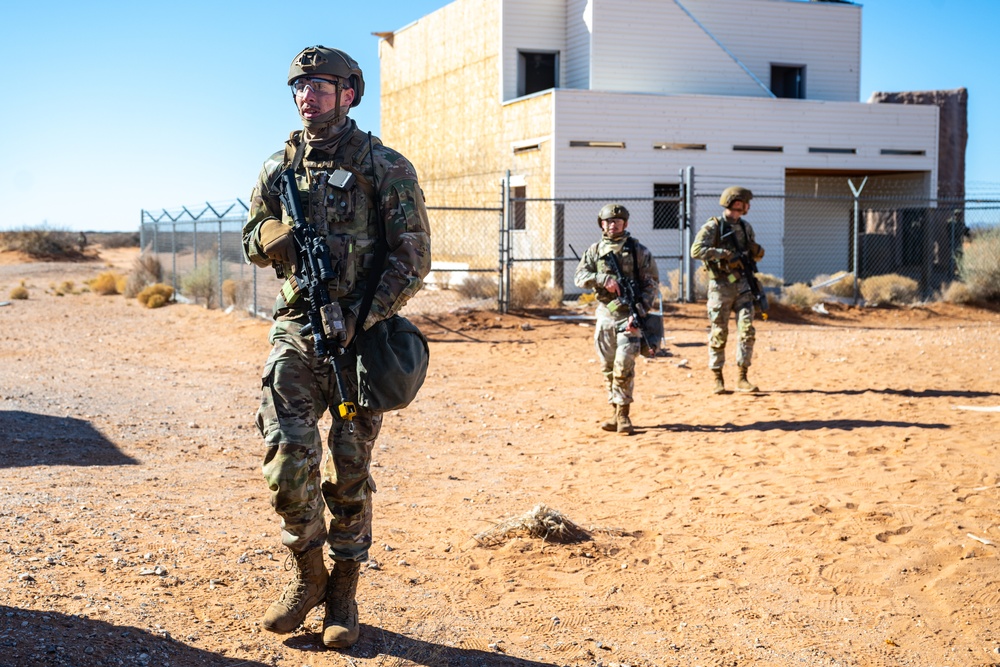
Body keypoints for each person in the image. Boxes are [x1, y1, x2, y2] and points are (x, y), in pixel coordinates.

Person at [241, 45, 431, 649]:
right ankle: (307, 574)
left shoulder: (385, 166)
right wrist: (268, 235)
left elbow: (413, 257)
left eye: (321, 86)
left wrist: (364, 314)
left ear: (349, 93)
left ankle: (343, 590)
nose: (307, 97)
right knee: (286, 456)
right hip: (297, 328)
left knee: (349, 470)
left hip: (361, 340)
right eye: (300, 87)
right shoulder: (278, 168)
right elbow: (251, 233)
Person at [574, 203, 660, 435]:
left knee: (624, 364)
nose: (613, 225)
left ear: (626, 224)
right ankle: (613, 412)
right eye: (609, 221)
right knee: (608, 367)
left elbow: (651, 284)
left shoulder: (638, 250)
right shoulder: (594, 251)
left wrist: (639, 312)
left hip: (630, 316)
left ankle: (623, 415)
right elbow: (579, 278)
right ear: (602, 224)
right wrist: (601, 279)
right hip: (605, 314)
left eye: (618, 221)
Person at [690, 186, 764, 394]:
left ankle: (742, 377)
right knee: (719, 332)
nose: (746, 206)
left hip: (743, 285)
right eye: (744, 203)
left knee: (747, 330)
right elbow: (696, 251)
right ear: (736, 202)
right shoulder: (714, 226)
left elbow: (752, 255)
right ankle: (717, 378)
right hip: (720, 287)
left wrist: (756, 252)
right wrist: (721, 254)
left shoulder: (746, 227)